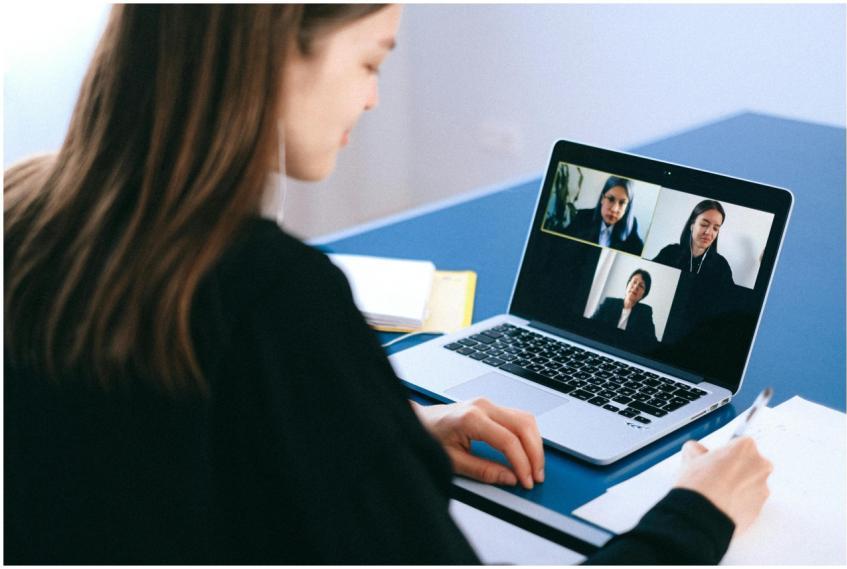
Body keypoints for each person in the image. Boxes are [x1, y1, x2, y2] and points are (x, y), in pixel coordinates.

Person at [4, 5, 772, 564]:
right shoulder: (275, 296)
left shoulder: (24, 212)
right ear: (274, 46)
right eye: (371, 60)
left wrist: (385, 430)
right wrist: (697, 514)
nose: (372, 97)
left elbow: (158, 441)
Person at [652, 199, 734, 287]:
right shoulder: (669, 253)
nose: (709, 232)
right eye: (704, 224)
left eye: (715, 228)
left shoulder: (721, 266)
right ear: (692, 225)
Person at [564, 175, 644, 255]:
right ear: (602, 198)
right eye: (611, 199)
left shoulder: (631, 226)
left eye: (622, 203)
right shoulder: (583, 217)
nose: (614, 209)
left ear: (627, 207)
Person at [592, 269, 657, 340]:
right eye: (634, 282)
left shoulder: (645, 312)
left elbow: (651, 341)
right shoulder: (609, 303)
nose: (635, 287)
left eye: (641, 286)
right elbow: (591, 325)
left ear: (644, 294)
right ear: (627, 285)